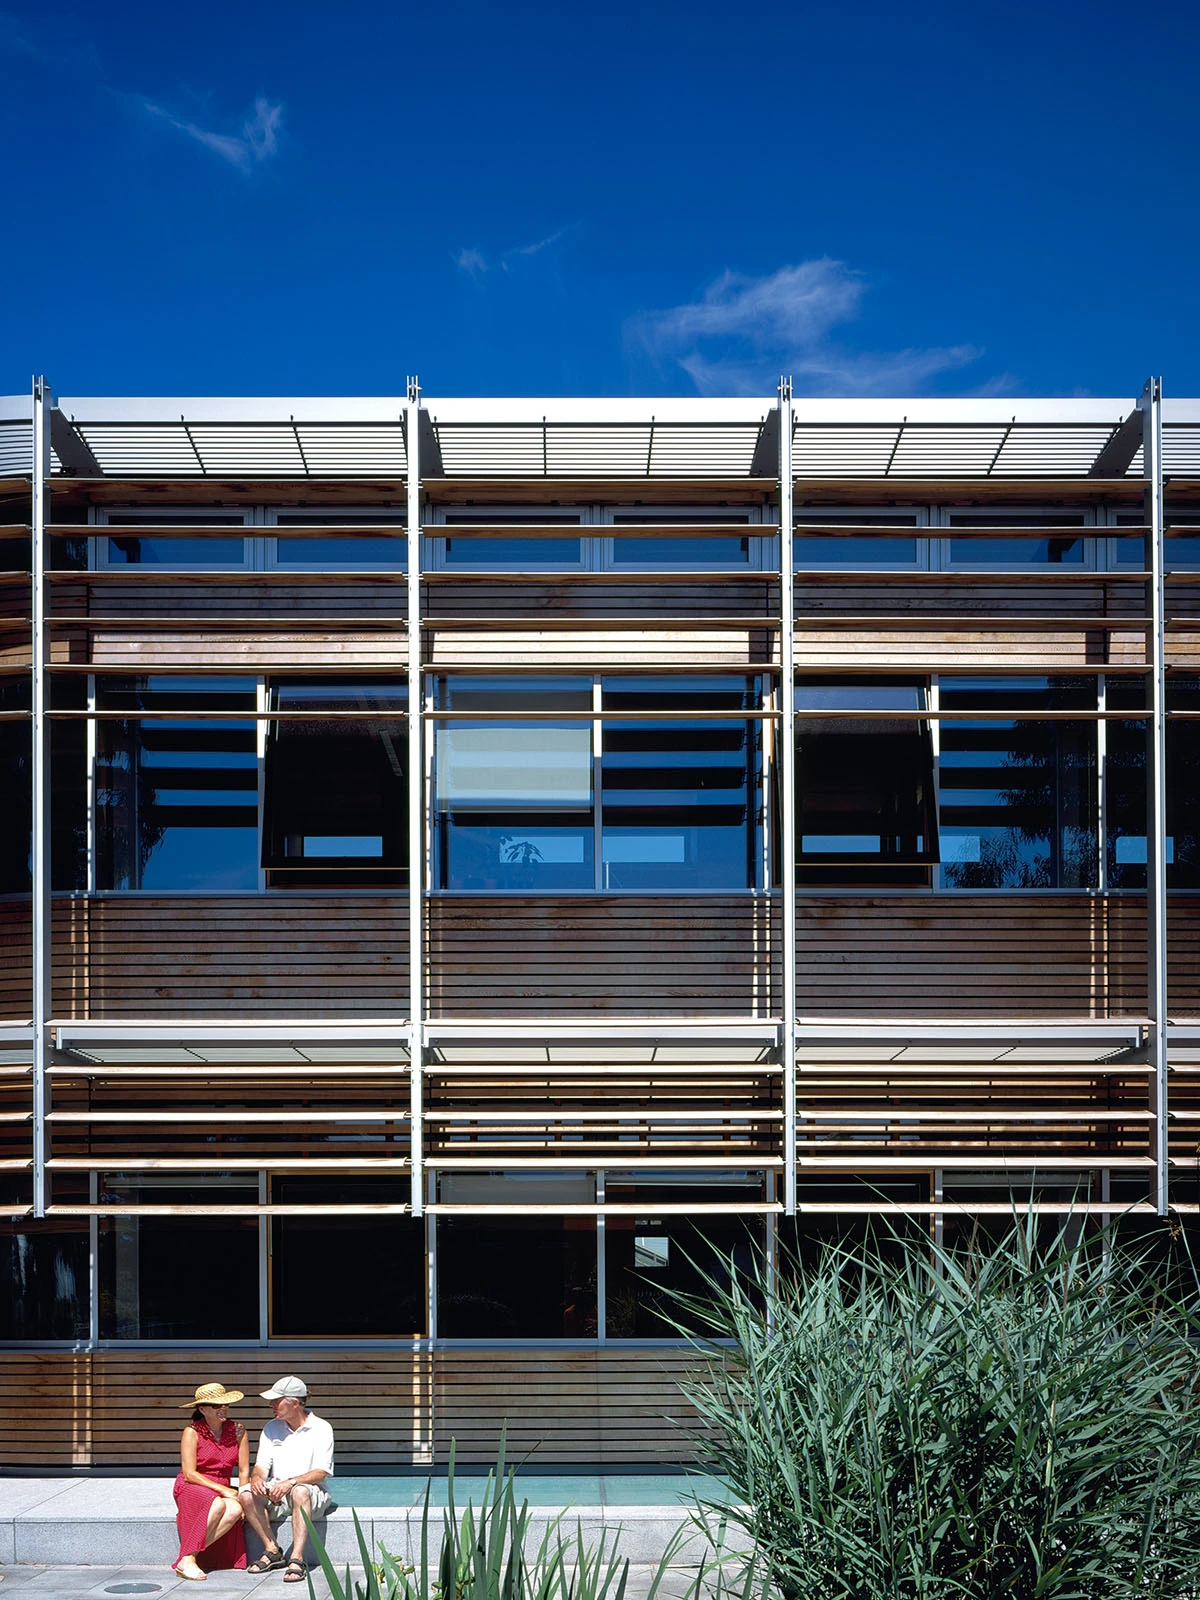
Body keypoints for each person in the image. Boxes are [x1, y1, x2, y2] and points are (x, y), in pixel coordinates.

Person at [239, 1376, 335, 1583]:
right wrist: (256, 1479)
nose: (270, 1405)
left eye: (276, 1400)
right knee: (246, 1494)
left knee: (300, 1491)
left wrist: (290, 1482)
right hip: (278, 1489)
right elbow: (262, 1467)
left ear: (294, 1402)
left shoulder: (322, 1428)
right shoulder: (271, 1427)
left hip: (311, 1489)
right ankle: (272, 1549)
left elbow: (321, 1472)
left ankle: (297, 1558)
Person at [172, 1382, 249, 1581]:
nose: (223, 1409)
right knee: (216, 1504)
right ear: (202, 1409)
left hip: (221, 1487)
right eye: (216, 1406)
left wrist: (243, 1492)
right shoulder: (192, 1432)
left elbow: (243, 1470)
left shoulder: (238, 1430)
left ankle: (188, 1557)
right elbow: (189, 1473)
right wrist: (223, 1490)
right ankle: (188, 1559)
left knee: (234, 1509)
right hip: (193, 1485)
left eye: (225, 1405)